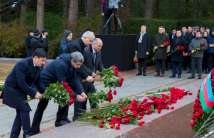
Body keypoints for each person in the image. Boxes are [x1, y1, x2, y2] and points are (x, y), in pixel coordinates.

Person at [30, 52, 88, 136]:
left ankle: (61, 119)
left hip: (55, 82)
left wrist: (82, 92)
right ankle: (34, 130)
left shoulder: (72, 64)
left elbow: (75, 79)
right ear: (72, 61)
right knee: (43, 104)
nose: (79, 67)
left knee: (65, 96)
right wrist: (75, 96)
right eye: (78, 65)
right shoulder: (61, 65)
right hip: (44, 82)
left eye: (80, 65)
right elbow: (63, 83)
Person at [2, 49, 46, 138]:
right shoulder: (22, 64)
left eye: (44, 60)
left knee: (20, 113)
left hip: (21, 91)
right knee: (25, 109)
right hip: (12, 89)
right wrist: (34, 93)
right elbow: (21, 82)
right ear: (36, 58)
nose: (44, 63)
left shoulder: (39, 67)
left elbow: (38, 81)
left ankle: (13, 136)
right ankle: (27, 134)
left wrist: (45, 91)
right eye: (42, 60)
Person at [73, 38, 104, 121]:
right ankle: (77, 117)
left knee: (93, 96)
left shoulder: (99, 52)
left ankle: (94, 114)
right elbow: (81, 65)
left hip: (90, 80)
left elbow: (99, 63)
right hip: (82, 79)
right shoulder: (85, 51)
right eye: (99, 46)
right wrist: (89, 73)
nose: (100, 48)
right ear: (93, 44)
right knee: (82, 99)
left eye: (101, 46)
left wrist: (104, 72)